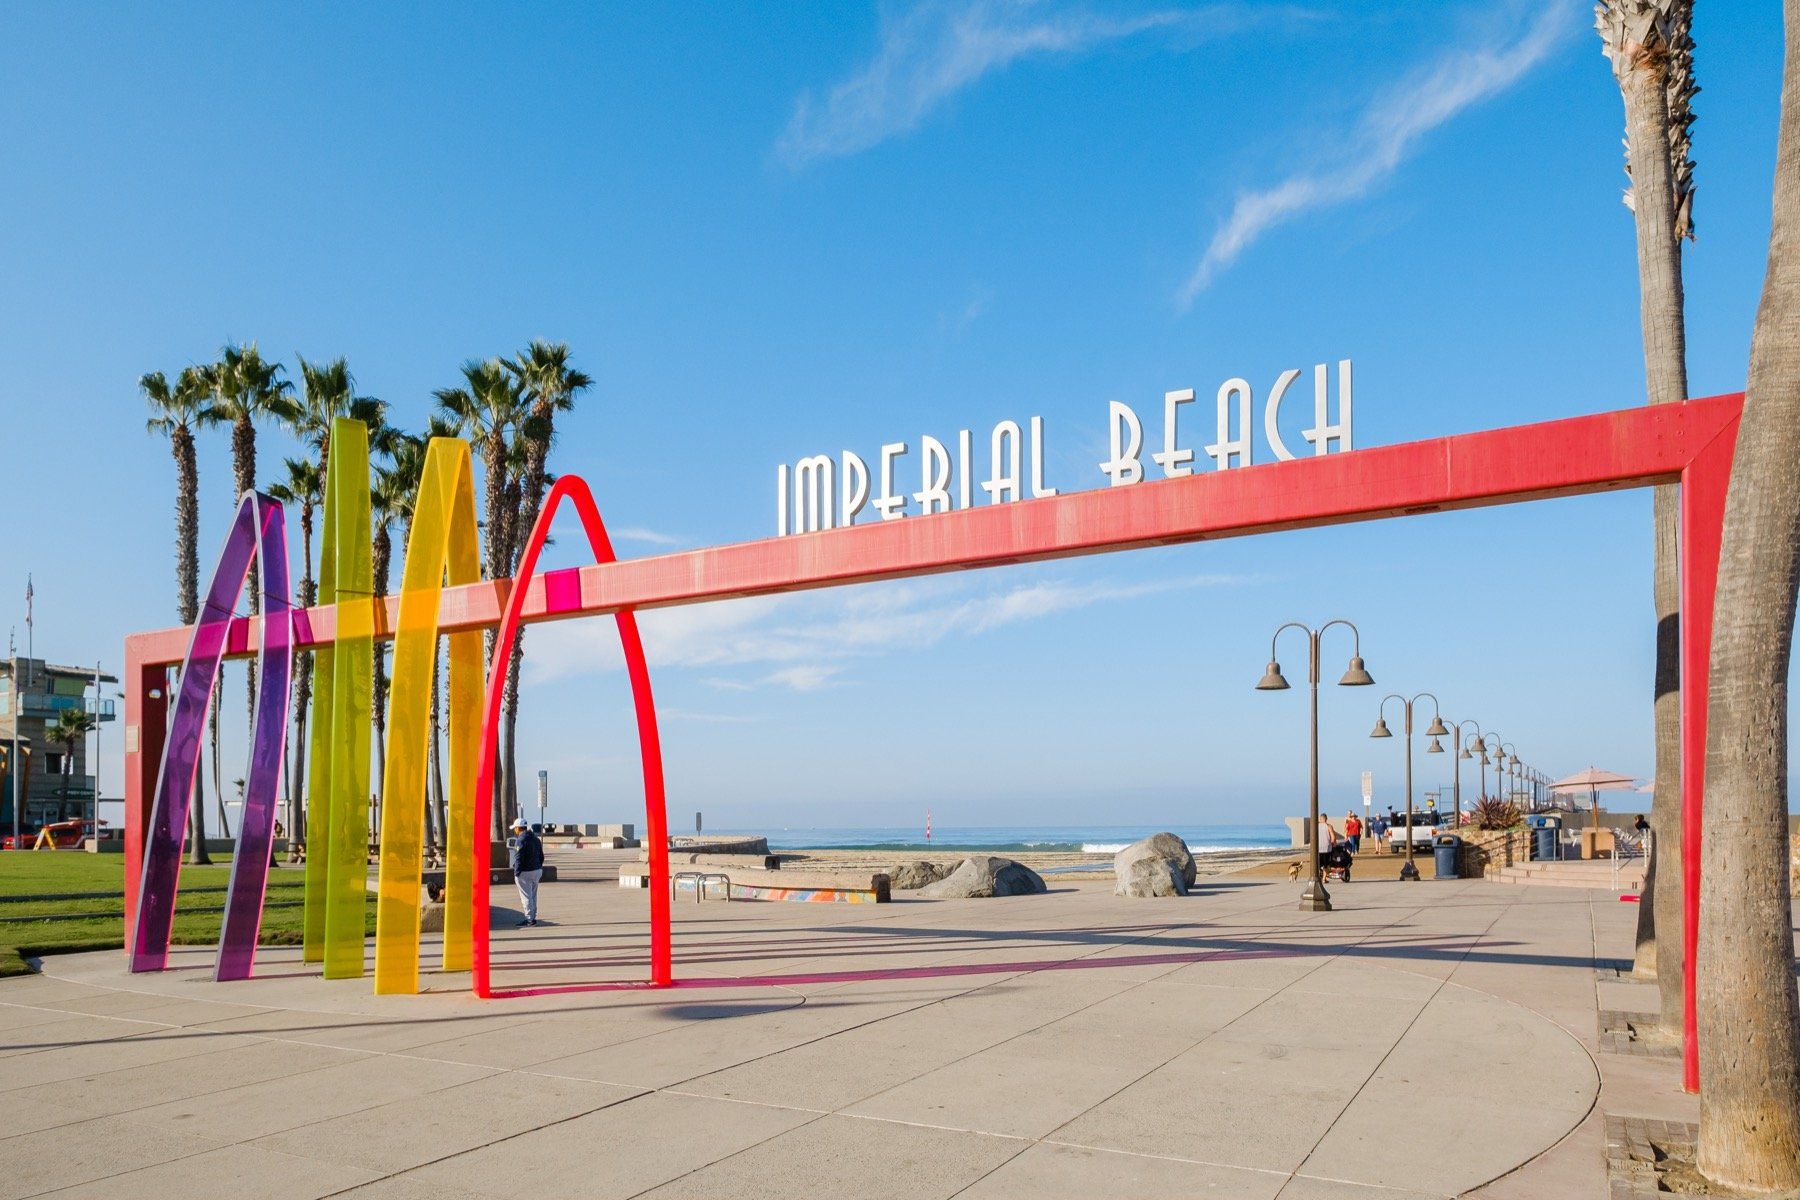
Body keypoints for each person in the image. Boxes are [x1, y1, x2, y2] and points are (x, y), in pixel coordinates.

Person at [510, 816, 544, 927]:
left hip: (525, 872)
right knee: (533, 895)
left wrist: (516, 872)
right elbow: (541, 856)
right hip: (537, 870)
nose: (515, 830)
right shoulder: (536, 839)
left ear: (518, 828)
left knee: (526, 896)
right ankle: (533, 917)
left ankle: (530, 919)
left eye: (515, 828)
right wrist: (539, 866)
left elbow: (518, 858)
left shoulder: (520, 840)